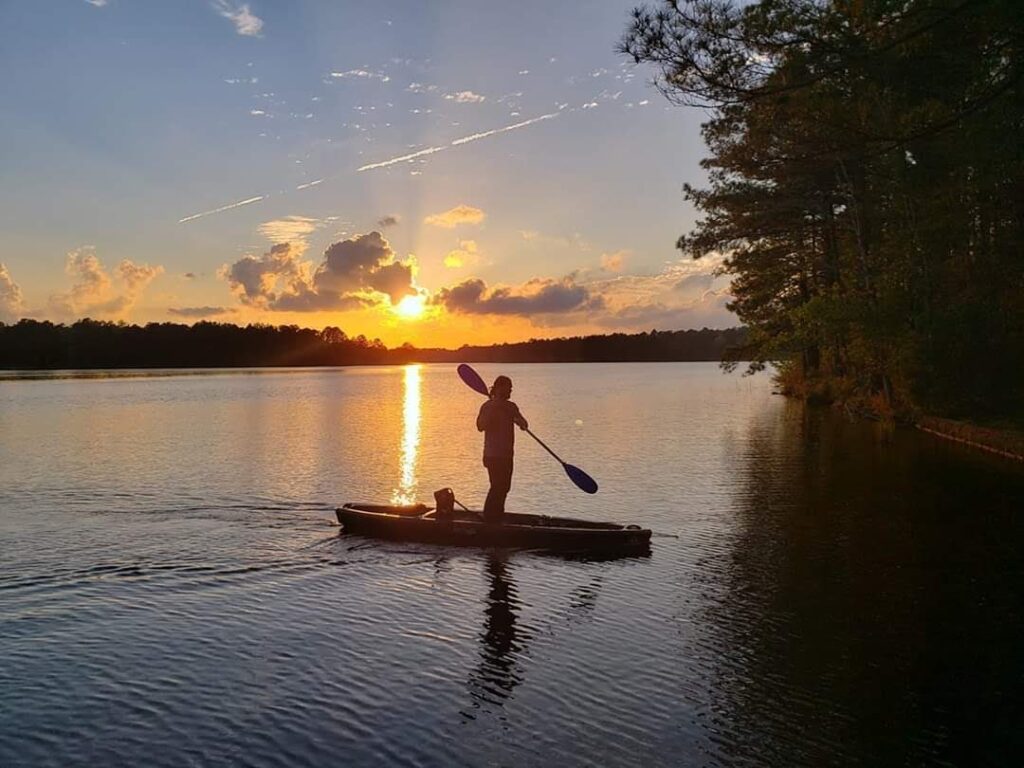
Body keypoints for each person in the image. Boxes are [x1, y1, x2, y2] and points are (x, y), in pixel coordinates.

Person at [476, 375, 528, 522]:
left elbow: (524, 424)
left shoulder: (511, 407)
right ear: (499, 388)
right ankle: (489, 518)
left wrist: (519, 421)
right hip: (492, 455)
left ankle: (497, 515)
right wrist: (493, 409)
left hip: (507, 455)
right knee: (497, 486)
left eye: (511, 388)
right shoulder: (487, 406)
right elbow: (480, 426)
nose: (510, 390)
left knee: (505, 487)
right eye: (508, 388)